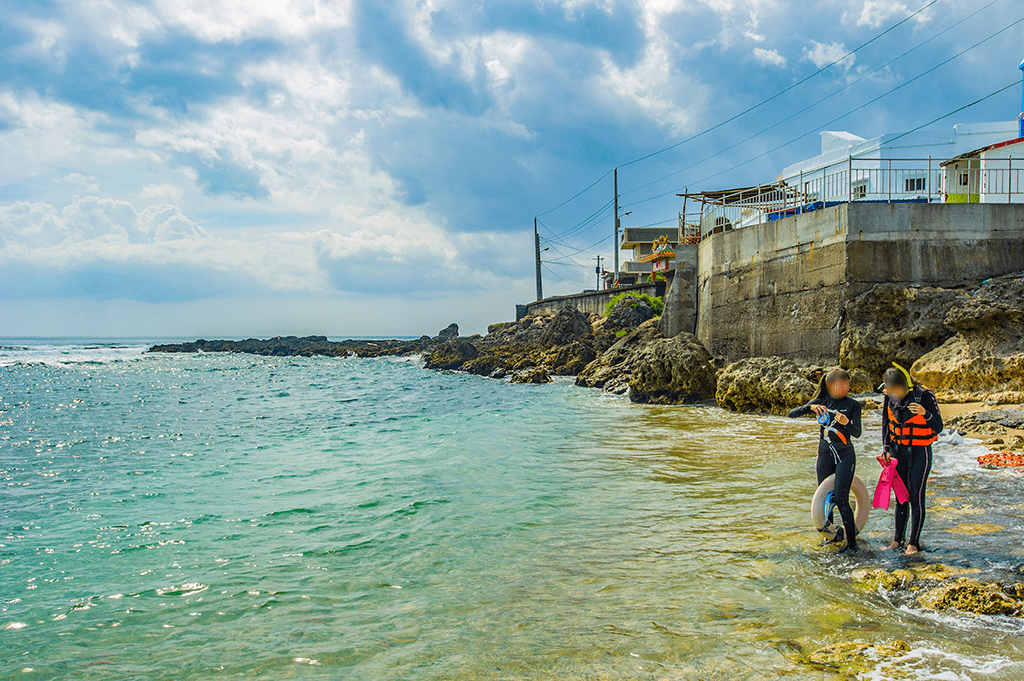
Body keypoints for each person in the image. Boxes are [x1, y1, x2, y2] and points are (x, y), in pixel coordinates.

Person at [788, 368, 863, 552]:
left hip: (845, 455)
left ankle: (852, 544)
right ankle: (830, 537)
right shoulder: (822, 402)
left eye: (847, 384)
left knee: (841, 498)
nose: (845, 387)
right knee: (827, 498)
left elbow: (857, 433)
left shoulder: (853, 405)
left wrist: (847, 423)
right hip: (825, 455)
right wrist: (810, 407)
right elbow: (792, 414)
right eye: (841, 384)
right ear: (830, 385)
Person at [880, 364, 942, 555]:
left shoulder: (924, 396)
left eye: (896, 392)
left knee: (916, 496)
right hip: (898, 452)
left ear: (905, 387)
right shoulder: (888, 397)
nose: (893, 396)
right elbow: (886, 423)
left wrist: (925, 413)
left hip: (919, 452)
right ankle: (897, 540)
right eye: (890, 392)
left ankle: (913, 542)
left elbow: (938, 426)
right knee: (900, 498)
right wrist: (886, 448)